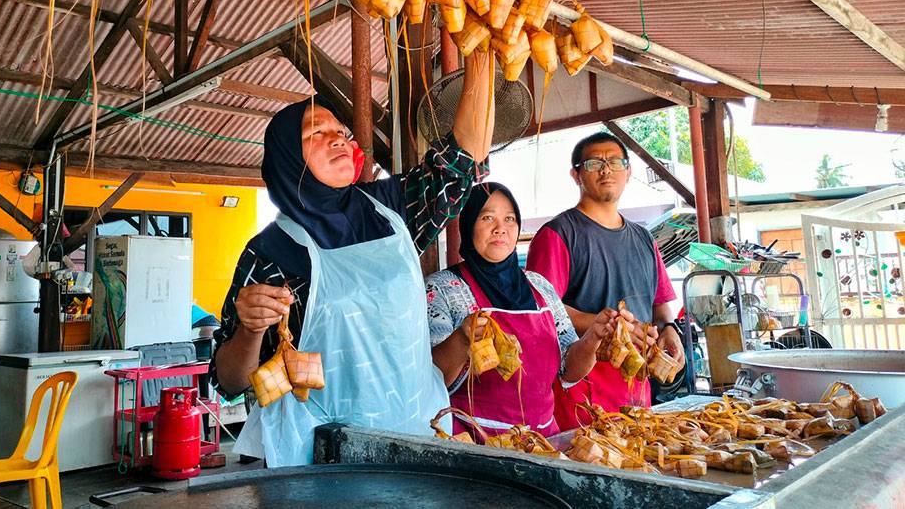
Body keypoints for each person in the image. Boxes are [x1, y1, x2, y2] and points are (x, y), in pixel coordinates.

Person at [210, 54, 495, 467]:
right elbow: (230, 381)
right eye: (316, 132)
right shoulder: (271, 252)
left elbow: (461, 163)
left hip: (416, 430)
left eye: (340, 131)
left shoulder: (392, 211)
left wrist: (480, 55)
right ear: (288, 157)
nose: (338, 138)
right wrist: (251, 331)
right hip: (320, 456)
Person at [426, 182, 617, 439]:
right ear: (469, 224)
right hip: (474, 442)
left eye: (509, 219)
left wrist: (593, 337)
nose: (500, 229)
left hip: (542, 441)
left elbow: (569, 369)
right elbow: (431, 379)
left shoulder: (539, 286)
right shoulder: (442, 288)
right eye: (487, 218)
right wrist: (462, 339)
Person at [526, 131, 682, 427]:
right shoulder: (558, 234)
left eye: (614, 161)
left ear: (628, 172)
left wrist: (670, 328)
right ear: (576, 175)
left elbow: (660, 304)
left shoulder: (644, 238)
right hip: (583, 397)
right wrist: (611, 326)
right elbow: (543, 313)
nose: (606, 169)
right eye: (594, 163)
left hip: (639, 395)